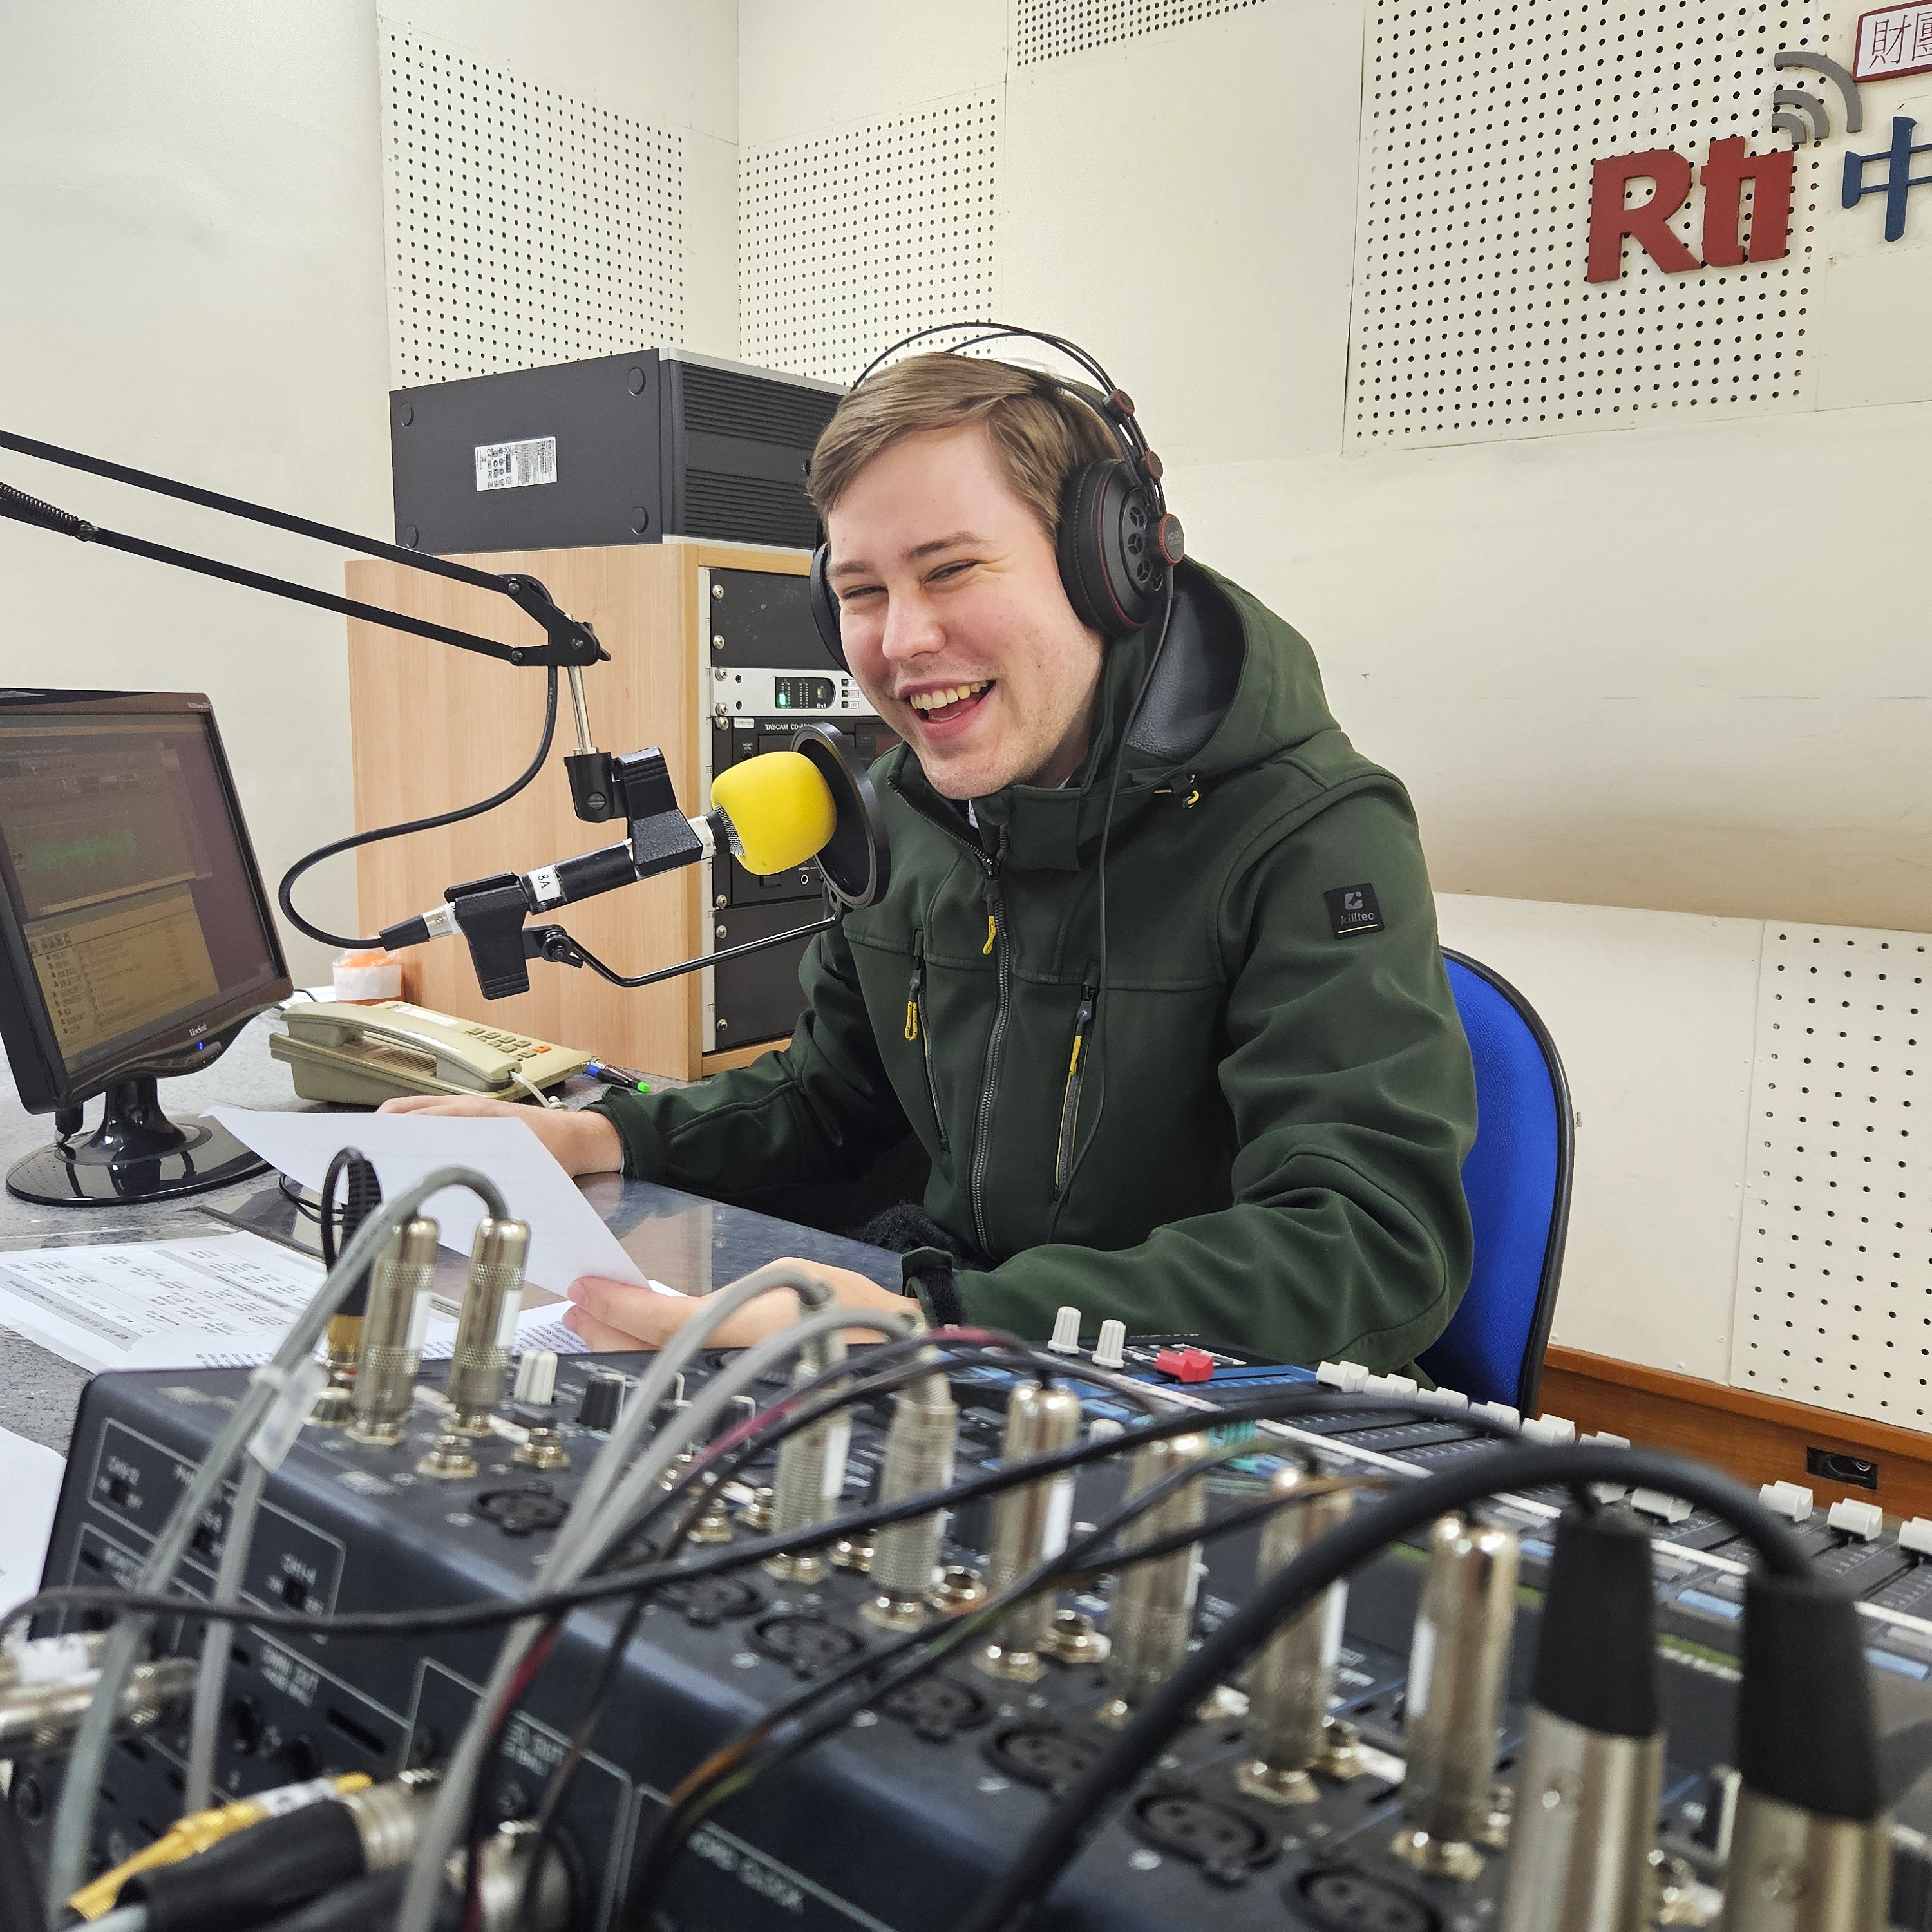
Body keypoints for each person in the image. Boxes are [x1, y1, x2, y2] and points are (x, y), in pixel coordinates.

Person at [384, 348, 1477, 1364]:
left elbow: (1367, 1247)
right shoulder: (905, 811)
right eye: (861, 591)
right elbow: (830, 1101)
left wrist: (942, 1315)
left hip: (1184, 1400)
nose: (901, 641)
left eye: (951, 571)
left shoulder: (1311, 828)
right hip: (955, 1349)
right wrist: (602, 1133)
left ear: (1112, 568)